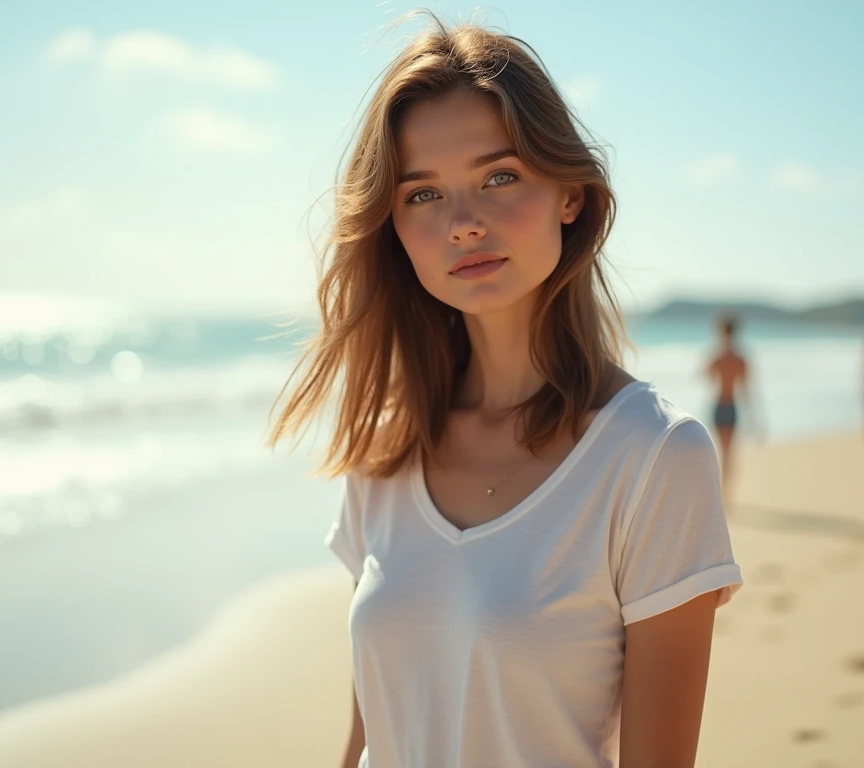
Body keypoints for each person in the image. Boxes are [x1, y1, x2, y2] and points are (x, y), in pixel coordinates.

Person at [269, 17, 742, 768]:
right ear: (392, 225)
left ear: (570, 196)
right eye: (422, 194)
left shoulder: (654, 460)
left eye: (499, 177)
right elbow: (373, 734)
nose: (462, 224)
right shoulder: (385, 452)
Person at [705, 313, 751, 490]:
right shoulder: (740, 359)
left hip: (718, 405)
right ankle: (726, 494)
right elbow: (746, 390)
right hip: (731, 406)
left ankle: (720, 492)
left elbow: (707, 377)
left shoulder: (717, 356)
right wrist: (753, 418)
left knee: (715, 451)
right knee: (728, 454)